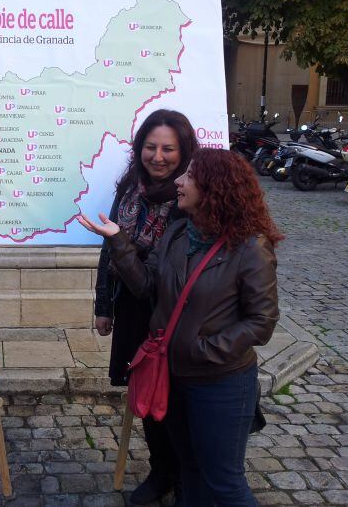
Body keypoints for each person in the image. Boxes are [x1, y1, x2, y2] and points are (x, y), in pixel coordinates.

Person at [79, 148, 282, 507]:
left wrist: (203, 349)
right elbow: (146, 286)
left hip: (221, 383)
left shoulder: (251, 247)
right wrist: (118, 242)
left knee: (225, 482)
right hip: (173, 378)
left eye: (188, 176)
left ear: (214, 188)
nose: (178, 181)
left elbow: (261, 322)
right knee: (189, 470)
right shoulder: (176, 234)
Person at [94, 109, 197, 506]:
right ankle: (161, 472)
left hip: (175, 314)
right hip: (135, 310)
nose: (158, 156)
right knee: (147, 396)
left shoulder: (193, 194)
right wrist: (104, 306)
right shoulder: (129, 188)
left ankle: (187, 476)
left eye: (168, 148)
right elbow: (110, 248)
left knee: (178, 399)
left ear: (183, 150)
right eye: (150, 147)